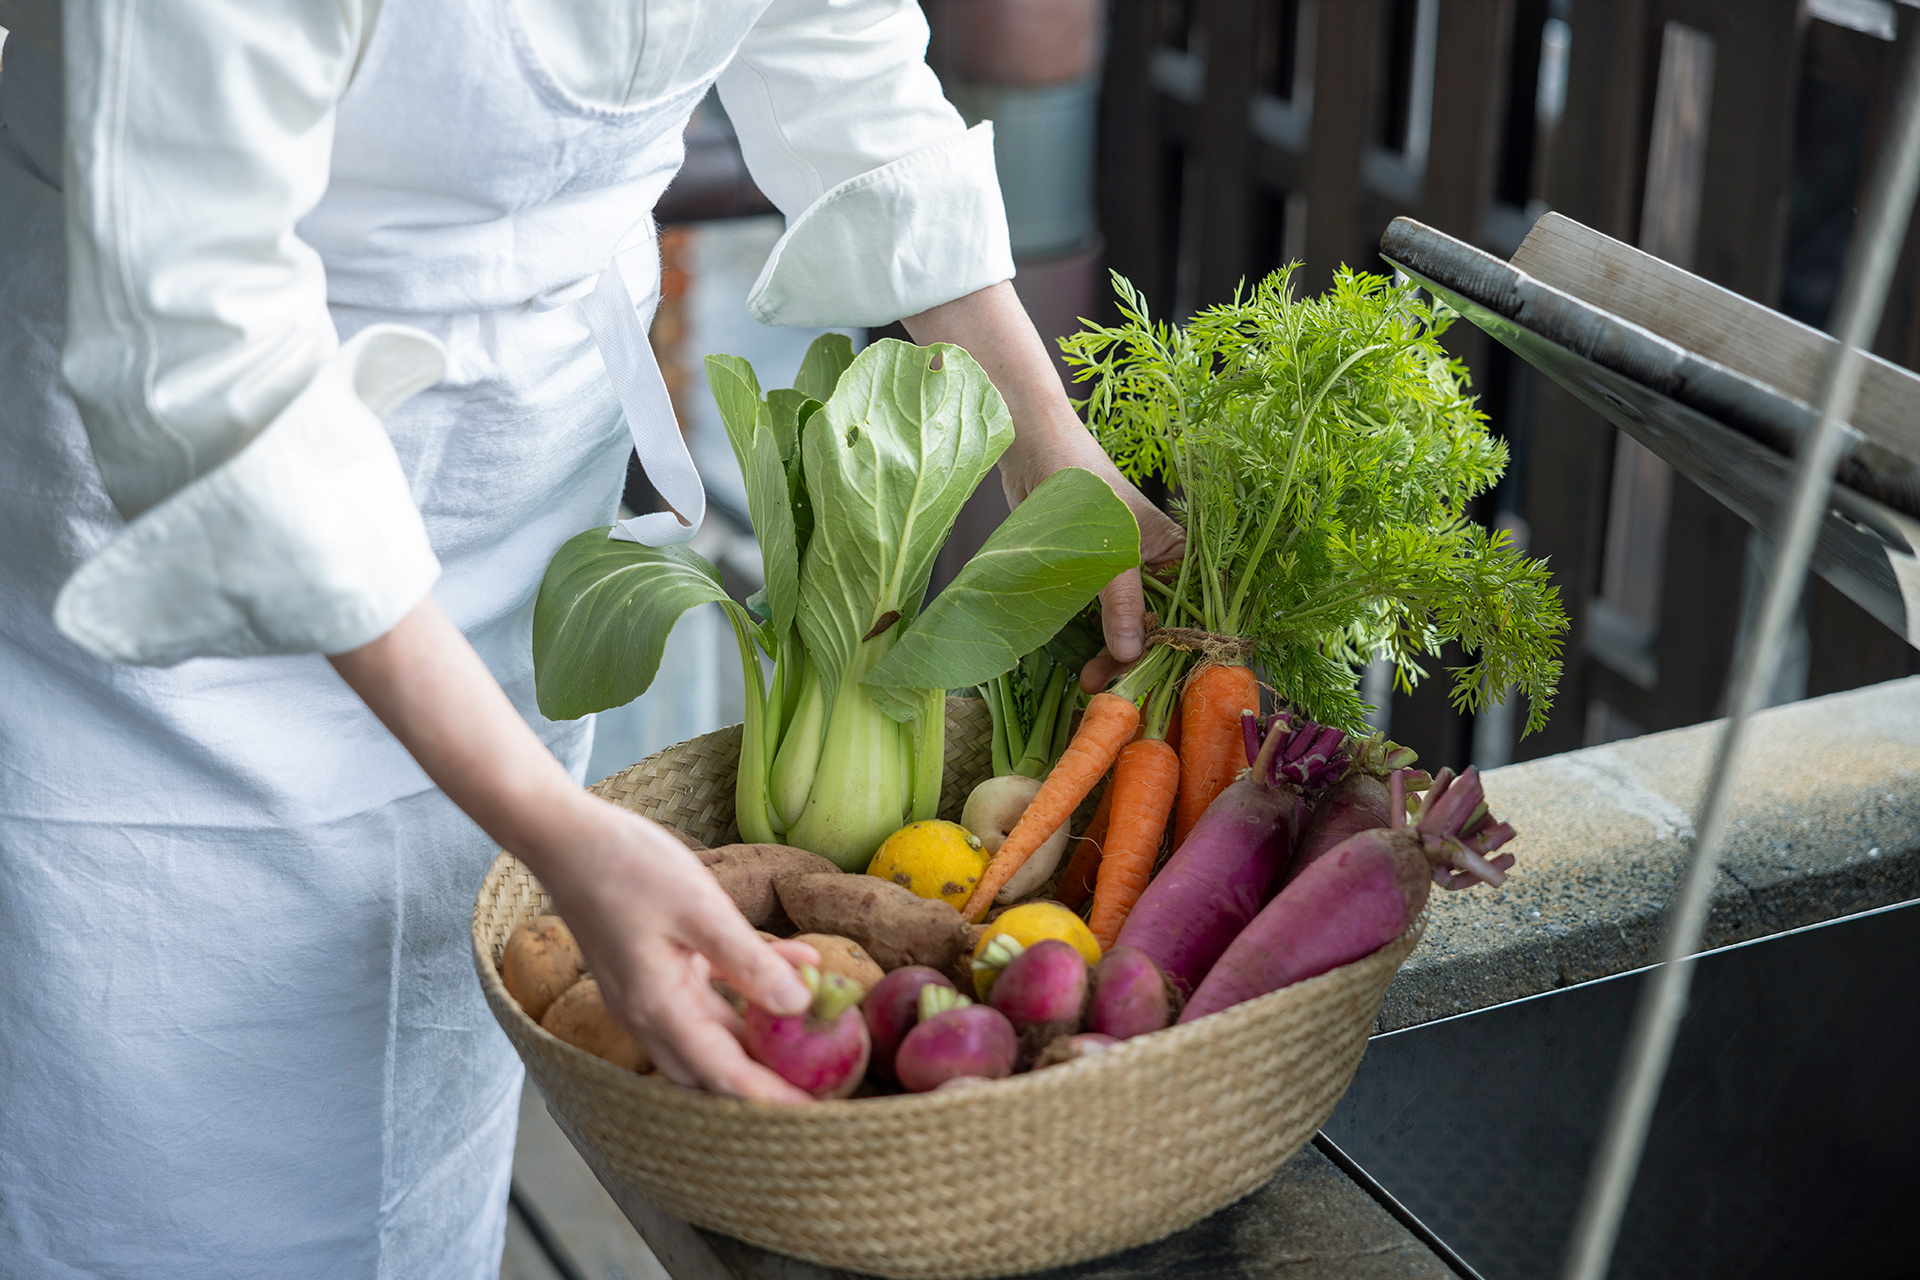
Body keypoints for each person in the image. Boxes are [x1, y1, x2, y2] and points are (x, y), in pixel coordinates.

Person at [0, 1, 1181, 1276]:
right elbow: (200, 338)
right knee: (161, 1180)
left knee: (421, 1135)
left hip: (513, 487)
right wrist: (556, 833)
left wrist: (1046, 442)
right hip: (173, 589)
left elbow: (836, 48)